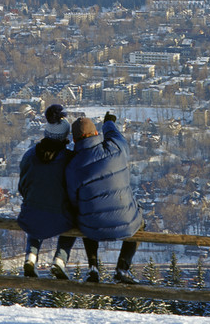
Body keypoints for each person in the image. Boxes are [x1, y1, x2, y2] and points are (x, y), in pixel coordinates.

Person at [66, 111, 144, 284]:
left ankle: (93, 267)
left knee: (85, 215)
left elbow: (73, 199)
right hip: (127, 223)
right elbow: (116, 135)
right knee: (140, 223)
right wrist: (108, 123)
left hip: (92, 228)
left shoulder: (73, 166)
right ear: (96, 133)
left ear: (75, 140)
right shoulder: (116, 148)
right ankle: (122, 268)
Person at [17, 104, 77, 279]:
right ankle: (60, 259)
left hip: (30, 214)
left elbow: (22, 185)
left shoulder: (30, 155)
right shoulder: (69, 159)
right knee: (72, 222)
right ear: (65, 136)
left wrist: (30, 198)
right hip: (60, 217)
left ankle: (31, 256)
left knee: (36, 214)